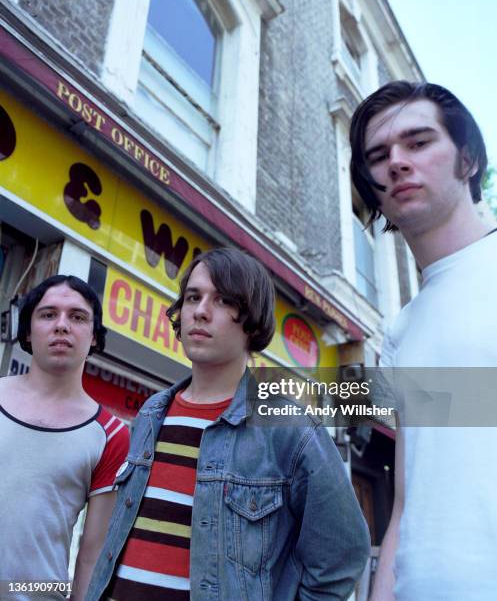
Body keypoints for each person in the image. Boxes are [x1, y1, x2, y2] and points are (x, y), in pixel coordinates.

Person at [87, 247, 370, 600]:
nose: (200, 312)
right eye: (193, 297)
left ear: (252, 319)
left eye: (222, 300)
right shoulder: (150, 414)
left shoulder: (289, 429)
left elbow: (343, 556)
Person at [349, 81, 497, 600]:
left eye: (418, 143)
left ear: (469, 158)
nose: (396, 162)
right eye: (379, 155)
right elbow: (408, 503)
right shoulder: (401, 330)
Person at [0, 275, 129, 600]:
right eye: (48, 314)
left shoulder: (112, 435)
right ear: (28, 332)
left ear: (95, 337)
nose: (61, 326)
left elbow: (93, 552)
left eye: (77, 316)